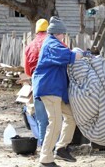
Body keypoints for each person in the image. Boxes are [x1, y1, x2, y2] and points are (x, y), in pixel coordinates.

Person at [33, 16, 83, 167]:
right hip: (49, 88)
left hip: (55, 89)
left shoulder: (53, 43)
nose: (63, 36)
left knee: (70, 116)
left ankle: (61, 148)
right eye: (62, 33)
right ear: (57, 33)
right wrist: (82, 55)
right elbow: (68, 56)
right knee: (55, 121)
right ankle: (46, 158)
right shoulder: (52, 44)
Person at [24, 18, 49, 146]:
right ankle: (57, 145)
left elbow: (27, 71)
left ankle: (44, 145)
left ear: (36, 31)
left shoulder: (29, 46)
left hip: (37, 82)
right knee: (56, 117)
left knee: (41, 118)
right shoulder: (52, 42)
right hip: (53, 81)